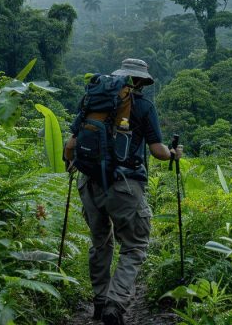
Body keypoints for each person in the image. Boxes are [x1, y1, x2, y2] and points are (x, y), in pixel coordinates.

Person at [64, 58, 182, 325]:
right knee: (135, 245)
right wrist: (174, 154)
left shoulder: (91, 101)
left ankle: (99, 301)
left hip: (90, 182)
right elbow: (157, 151)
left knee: (100, 243)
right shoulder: (143, 105)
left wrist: (70, 162)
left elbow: (70, 143)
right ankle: (115, 304)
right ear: (141, 81)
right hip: (125, 186)